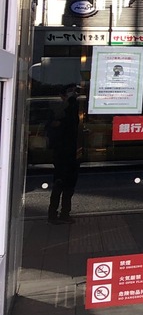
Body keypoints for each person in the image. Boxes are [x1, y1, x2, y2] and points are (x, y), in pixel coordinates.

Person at [47, 83, 83, 225]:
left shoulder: (72, 109)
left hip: (72, 153)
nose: (73, 94)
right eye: (70, 91)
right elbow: (62, 122)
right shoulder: (60, 109)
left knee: (68, 186)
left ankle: (64, 213)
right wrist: (71, 100)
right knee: (60, 184)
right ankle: (53, 214)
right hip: (62, 154)